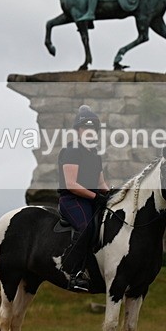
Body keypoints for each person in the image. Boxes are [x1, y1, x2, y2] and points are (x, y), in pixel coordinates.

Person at [58, 105, 110, 292]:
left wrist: (114, 195)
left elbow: (101, 183)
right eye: (86, 128)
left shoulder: (95, 155)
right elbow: (71, 184)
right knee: (86, 227)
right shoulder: (72, 150)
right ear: (78, 130)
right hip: (72, 200)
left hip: (90, 199)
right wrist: (96, 196)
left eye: (93, 128)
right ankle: (72, 273)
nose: (90, 131)